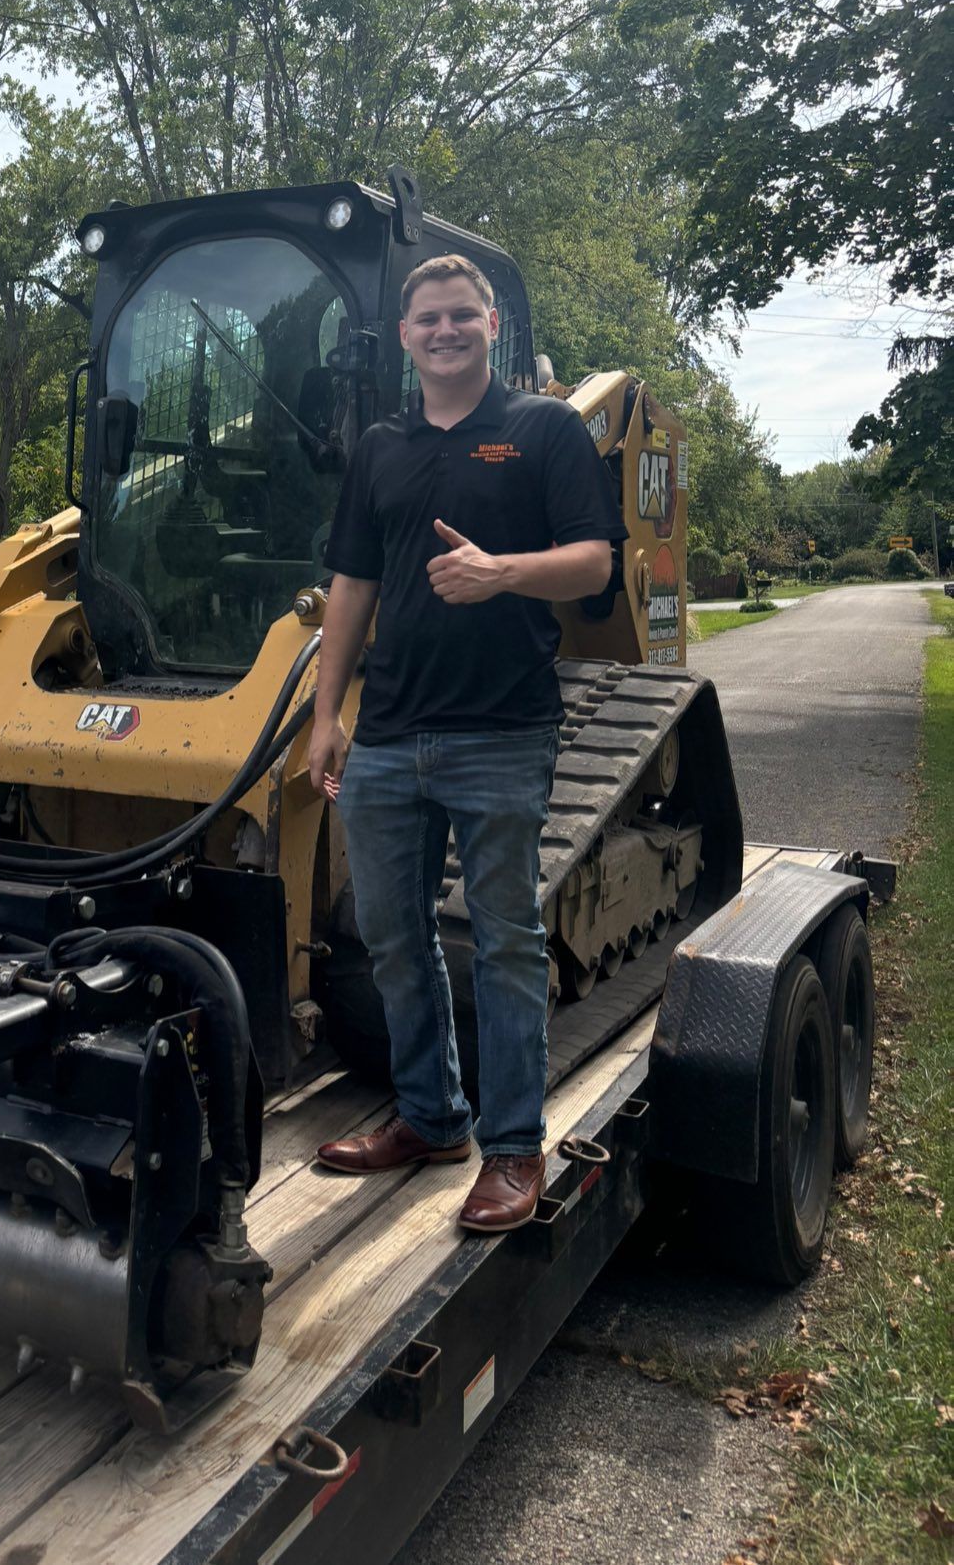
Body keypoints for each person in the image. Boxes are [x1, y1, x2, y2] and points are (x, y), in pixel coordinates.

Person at [307, 254, 627, 1231]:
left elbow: (594, 562)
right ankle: (430, 1116)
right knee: (393, 942)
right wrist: (327, 716)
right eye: (427, 320)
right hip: (391, 735)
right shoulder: (382, 448)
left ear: (490, 324)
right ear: (404, 338)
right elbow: (352, 589)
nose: (444, 331)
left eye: (461, 316)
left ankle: (513, 1150)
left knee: (504, 944)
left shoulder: (544, 430)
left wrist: (502, 573)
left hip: (500, 730)